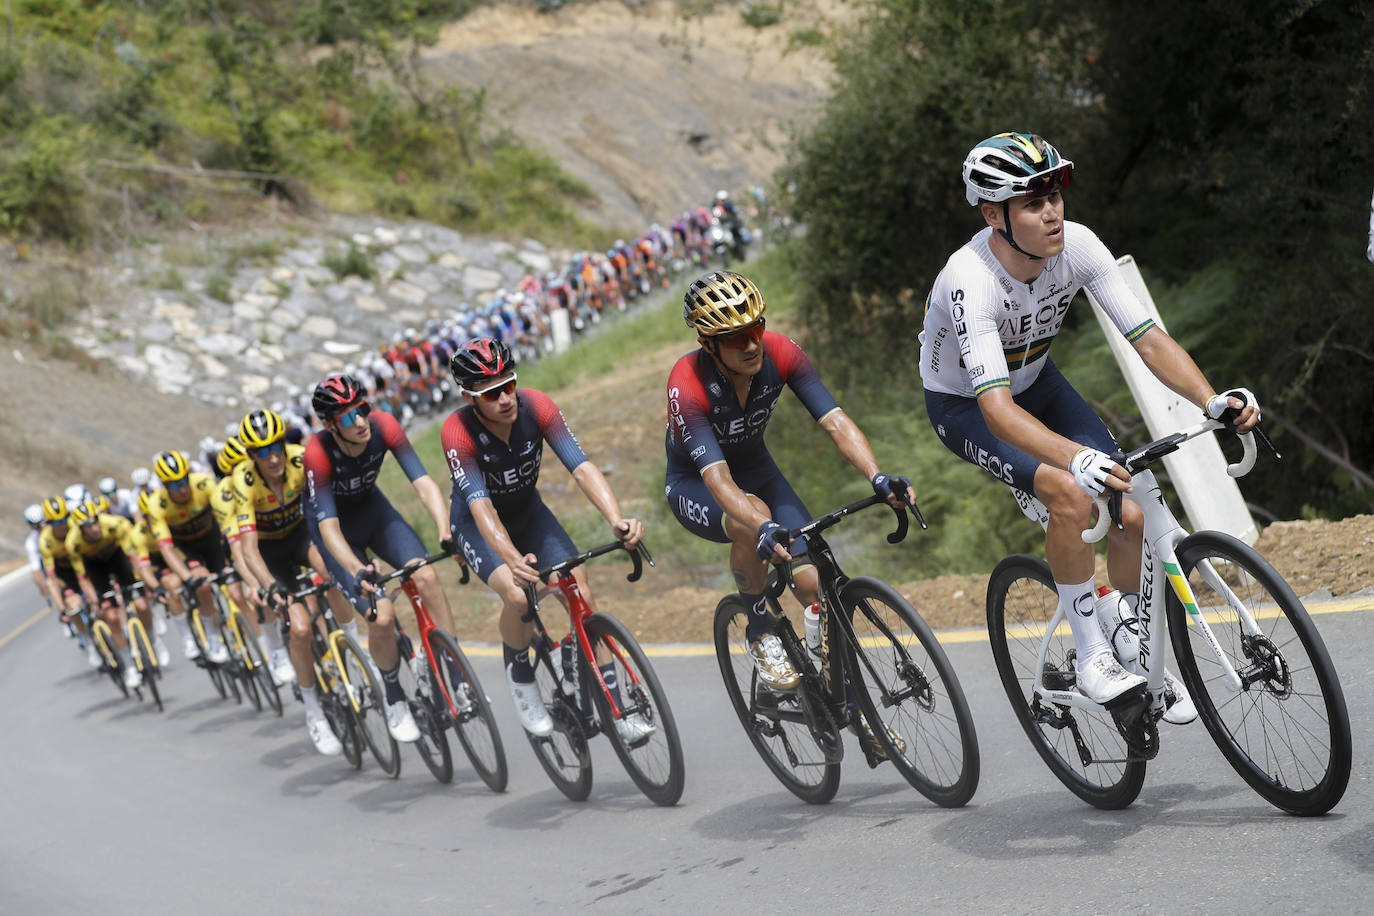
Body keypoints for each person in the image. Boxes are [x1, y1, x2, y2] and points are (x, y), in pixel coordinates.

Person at [919, 131, 1260, 720]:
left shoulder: (1077, 246)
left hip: (1039, 382)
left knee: (1126, 506)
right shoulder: (967, 278)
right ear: (992, 214)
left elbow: (1147, 338)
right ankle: (1091, 652)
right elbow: (997, 411)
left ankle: (1126, 631)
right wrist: (1074, 460)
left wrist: (1210, 400)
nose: (1051, 211)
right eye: (1032, 202)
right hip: (967, 407)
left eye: (1054, 194)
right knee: (1072, 495)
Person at [663, 270, 914, 755]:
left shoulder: (781, 352)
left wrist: (877, 477)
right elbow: (717, 480)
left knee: (815, 585)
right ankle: (760, 629)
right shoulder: (687, 384)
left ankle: (853, 713)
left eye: (756, 328)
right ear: (708, 343)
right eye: (736, 337)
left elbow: (835, 421)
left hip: (758, 470)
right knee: (751, 514)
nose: (751, 344)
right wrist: (760, 525)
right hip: (696, 485)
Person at [440, 337, 648, 741]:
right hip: (476, 524)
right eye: (490, 393)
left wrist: (617, 519)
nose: (504, 398)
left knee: (581, 594)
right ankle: (521, 675)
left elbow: (582, 467)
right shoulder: (457, 432)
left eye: (508, 385)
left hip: (528, 514)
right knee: (519, 597)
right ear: (470, 399)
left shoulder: (537, 406)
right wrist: (510, 558)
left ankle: (617, 708)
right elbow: (481, 507)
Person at [304, 374, 472, 744]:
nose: (361, 421)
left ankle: (459, 677)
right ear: (331, 426)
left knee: (426, 577)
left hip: (374, 512)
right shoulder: (317, 453)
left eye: (362, 410)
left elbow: (424, 483)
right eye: (348, 418)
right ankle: (394, 695)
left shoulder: (384, 425)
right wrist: (355, 568)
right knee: (382, 616)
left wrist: (445, 530)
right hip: (336, 531)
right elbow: (328, 527)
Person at [233, 407, 363, 756]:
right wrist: (268, 587)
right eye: (262, 452)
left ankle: (355, 647)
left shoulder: (300, 458)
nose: (272, 456)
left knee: (331, 568)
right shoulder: (243, 482)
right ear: (250, 455)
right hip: (269, 554)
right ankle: (314, 712)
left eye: (276, 446)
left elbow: (330, 507)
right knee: (302, 629)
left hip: (302, 537)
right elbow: (247, 549)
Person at [144, 450, 231, 664]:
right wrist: (187, 577)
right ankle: (212, 636)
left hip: (211, 540)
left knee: (235, 586)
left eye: (184, 481)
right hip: (186, 548)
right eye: (174, 485)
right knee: (202, 585)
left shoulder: (204, 483)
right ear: (164, 486)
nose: (182, 489)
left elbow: (227, 521)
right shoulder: (157, 504)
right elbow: (166, 549)